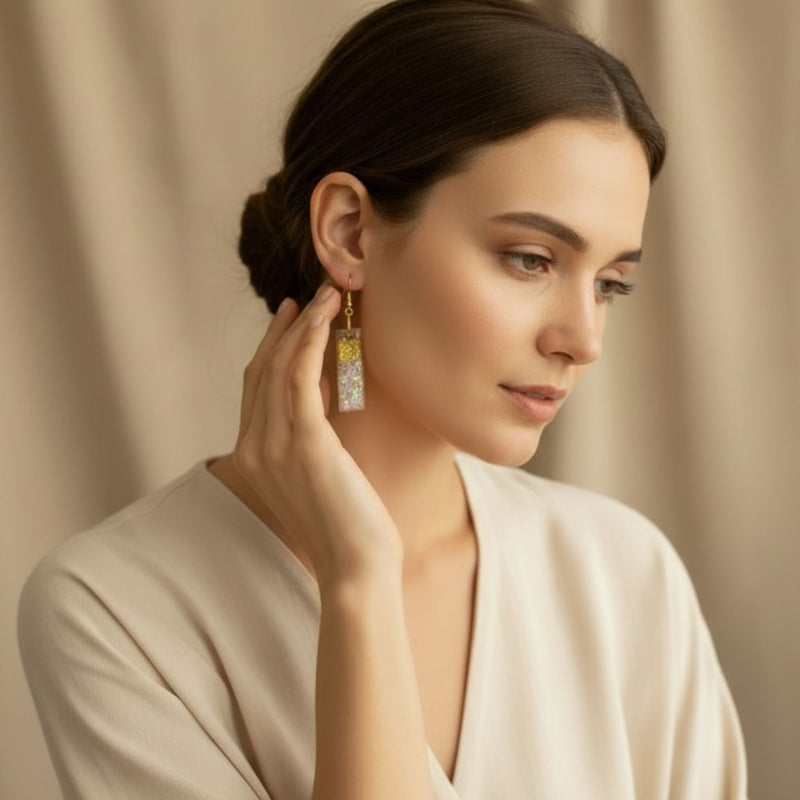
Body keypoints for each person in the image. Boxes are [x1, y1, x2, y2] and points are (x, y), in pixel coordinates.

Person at [17, 1, 749, 798]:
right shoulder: (114, 609)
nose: (583, 337)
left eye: (610, 284)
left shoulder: (622, 574)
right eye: (532, 259)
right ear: (350, 231)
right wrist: (359, 579)